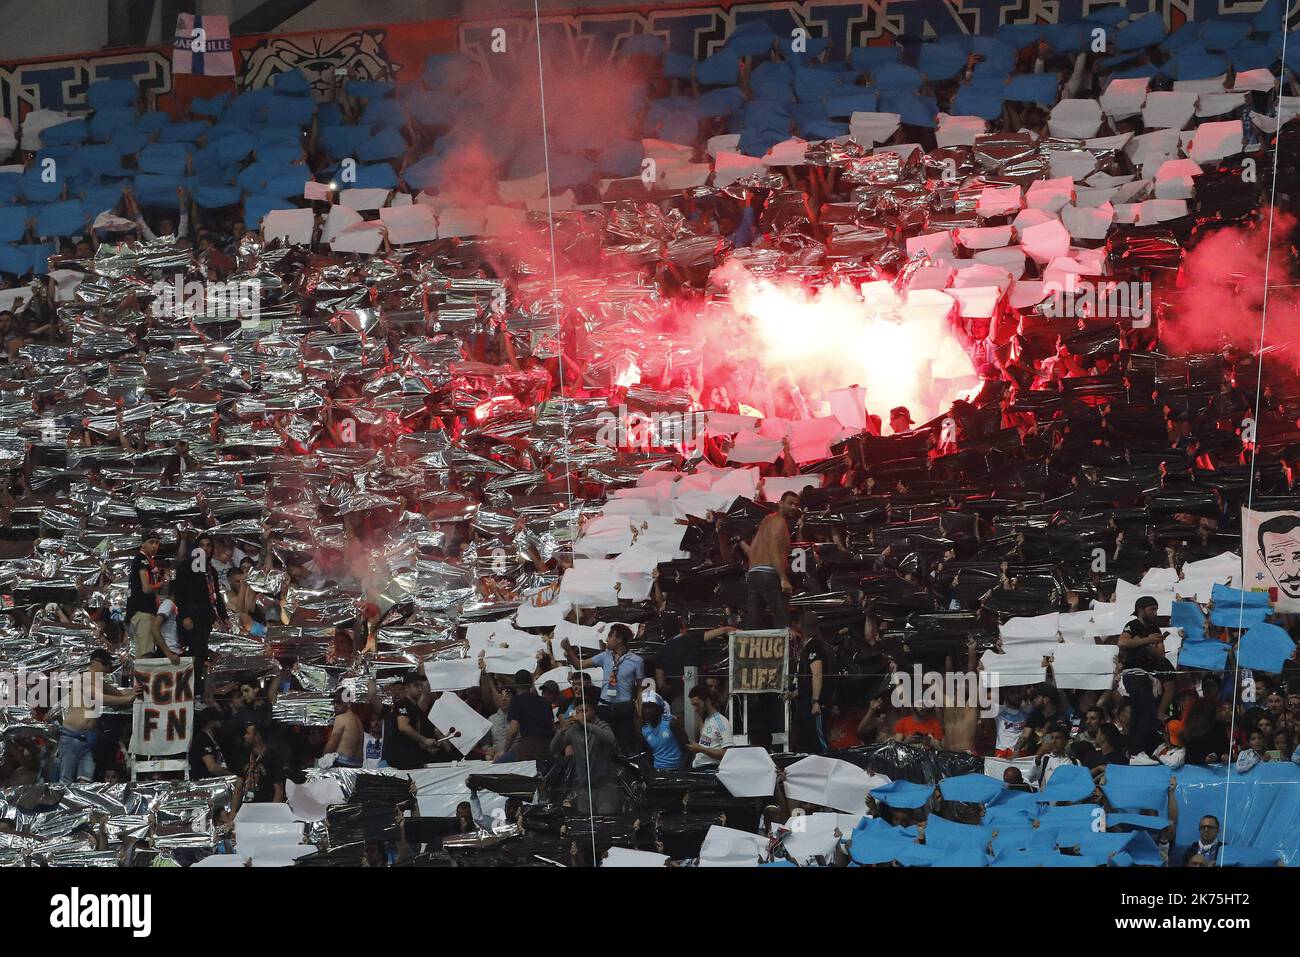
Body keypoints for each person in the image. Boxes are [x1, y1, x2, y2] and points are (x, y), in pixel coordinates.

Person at [57, 650, 140, 784]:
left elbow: (118, 693)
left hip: (89, 738)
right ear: (95, 662)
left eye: (109, 665)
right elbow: (100, 698)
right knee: (66, 780)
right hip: (72, 736)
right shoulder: (83, 679)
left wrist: (136, 690)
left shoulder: (98, 683)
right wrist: (128, 699)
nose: (108, 668)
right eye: (106, 664)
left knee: (85, 780)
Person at [562, 624, 643, 754]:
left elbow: (639, 689)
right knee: (603, 745)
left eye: (610, 636)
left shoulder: (636, 661)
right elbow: (579, 665)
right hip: (604, 707)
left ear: (619, 639)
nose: (607, 639)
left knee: (624, 746)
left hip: (624, 708)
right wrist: (569, 650)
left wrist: (640, 714)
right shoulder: (604, 656)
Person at [172, 530, 228, 697]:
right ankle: (187, 689)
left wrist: (224, 616)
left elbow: (216, 596)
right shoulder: (186, 566)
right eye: (202, 545)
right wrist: (186, 615)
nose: (205, 548)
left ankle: (195, 688)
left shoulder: (211, 571)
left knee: (201, 653)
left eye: (208, 545)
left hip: (206, 617)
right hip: (191, 617)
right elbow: (180, 593)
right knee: (193, 653)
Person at [549, 697, 620, 814]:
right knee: (584, 822)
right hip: (584, 788)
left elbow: (611, 739)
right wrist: (561, 731)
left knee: (605, 818)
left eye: (585, 711)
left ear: (593, 712)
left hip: (605, 786)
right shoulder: (573, 731)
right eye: (578, 712)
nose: (581, 715)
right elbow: (553, 749)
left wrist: (587, 725)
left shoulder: (601, 726)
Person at [741, 491, 800, 628]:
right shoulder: (779, 522)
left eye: (796, 505)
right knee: (782, 620)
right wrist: (783, 578)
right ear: (780, 503)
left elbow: (752, 550)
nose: (793, 507)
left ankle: (748, 647)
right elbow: (774, 550)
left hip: (754, 574)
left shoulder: (766, 520)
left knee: (753, 621)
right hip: (768, 574)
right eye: (790, 503)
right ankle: (785, 648)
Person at [382, 672, 441, 770]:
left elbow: (414, 735)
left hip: (411, 756)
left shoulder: (414, 706)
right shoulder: (403, 703)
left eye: (421, 686)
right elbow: (403, 727)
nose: (420, 689)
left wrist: (426, 745)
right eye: (416, 686)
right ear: (406, 688)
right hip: (402, 756)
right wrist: (425, 740)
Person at [496, 670, 553, 762]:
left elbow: (513, 730)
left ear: (515, 684)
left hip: (529, 747)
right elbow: (552, 725)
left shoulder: (516, 702)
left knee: (498, 763)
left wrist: (504, 751)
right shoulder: (544, 701)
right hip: (548, 746)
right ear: (531, 683)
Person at [125, 530, 166, 659]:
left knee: (143, 652)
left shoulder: (146, 560)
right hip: (143, 613)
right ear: (143, 544)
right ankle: (145, 679)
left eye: (157, 543)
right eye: (151, 542)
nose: (155, 546)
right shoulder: (142, 560)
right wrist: (162, 583)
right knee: (146, 654)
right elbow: (147, 588)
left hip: (141, 612)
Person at [233, 720, 286, 812]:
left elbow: (279, 789)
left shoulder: (273, 757)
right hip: (246, 807)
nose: (245, 736)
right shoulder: (245, 755)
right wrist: (233, 811)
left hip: (266, 807)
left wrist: (273, 813)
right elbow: (238, 786)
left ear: (257, 736)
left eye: (248, 733)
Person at [635, 690, 688, 770]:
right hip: (658, 771)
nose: (647, 711)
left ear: (659, 708)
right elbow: (650, 754)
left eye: (651, 707)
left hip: (676, 771)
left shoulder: (672, 723)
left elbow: (687, 750)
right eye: (645, 707)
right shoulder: (644, 729)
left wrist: (682, 772)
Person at [1255, 513, 1300, 600]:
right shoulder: (1266, 594)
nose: (1292, 572)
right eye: (1277, 560)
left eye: (1299, 557)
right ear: (1263, 559)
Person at [686, 684, 732, 767]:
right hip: (698, 768)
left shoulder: (721, 722)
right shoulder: (706, 720)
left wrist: (701, 749)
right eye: (693, 705)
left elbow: (727, 753)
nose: (695, 709)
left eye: (697, 704)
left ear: (707, 701)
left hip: (710, 771)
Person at [322, 690, 364, 768]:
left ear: (348, 703)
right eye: (333, 702)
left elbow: (331, 745)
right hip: (357, 764)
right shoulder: (358, 720)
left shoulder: (341, 717)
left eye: (339, 702)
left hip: (343, 763)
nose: (335, 705)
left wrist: (322, 760)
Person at [190, 707, 229, 779]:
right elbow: (212, 768)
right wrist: (232, 773)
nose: (221, 723)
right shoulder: (202, 740)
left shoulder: (213, 738)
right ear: (210, 722)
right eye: (218, 720)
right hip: (204, 784)